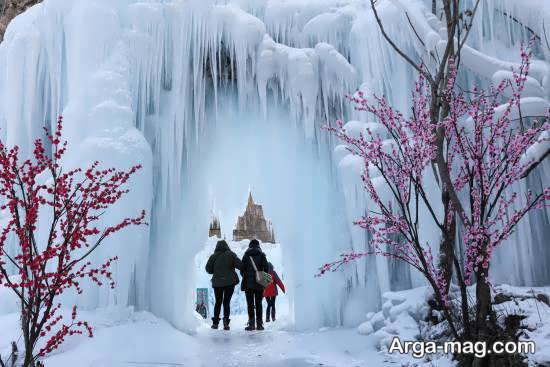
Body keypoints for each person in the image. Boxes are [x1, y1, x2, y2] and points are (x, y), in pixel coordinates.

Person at [205, 240, 242, 330]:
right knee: (226, 302)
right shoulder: (231, 254)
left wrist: (216, 270)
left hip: (217, 283)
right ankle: (226, 323)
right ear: (226, 246)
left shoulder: (213, 256)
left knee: (218, 302)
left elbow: (208, 269)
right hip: (230, 283)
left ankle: (215, 323)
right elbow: (240, 265)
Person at [240, 239, 269, 331]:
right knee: (259, 303)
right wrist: (262, 277)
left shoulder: (246, 255)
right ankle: (260, 324)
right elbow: (266, 268)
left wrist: (246, 276)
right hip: (259, 283)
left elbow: (242, 269)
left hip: (248, 284)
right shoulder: (262, 255)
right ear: (258, 245)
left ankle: (252, 324)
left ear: (250, 245)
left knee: (250, 304)